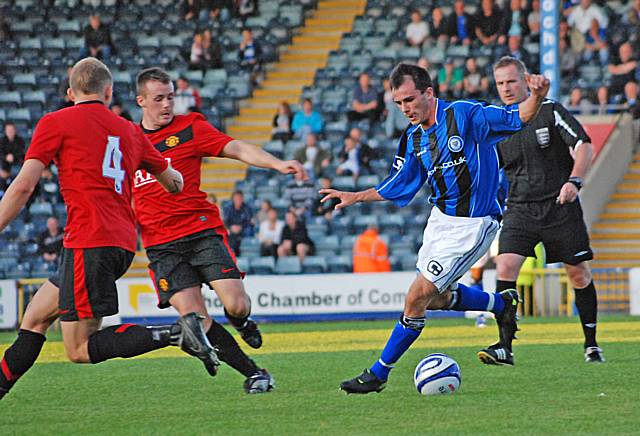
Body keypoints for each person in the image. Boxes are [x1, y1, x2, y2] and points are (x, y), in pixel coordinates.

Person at [319, 62, 549, 394]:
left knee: (415, 298)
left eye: (410, 100)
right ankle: (501, 304)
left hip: (473, 224)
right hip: (439, 221)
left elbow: (518, 118)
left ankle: (379, 373)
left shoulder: (465, 115)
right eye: (398, 103)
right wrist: (356, 196)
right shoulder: (413, 138)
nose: (405, 109)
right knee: (436, 300)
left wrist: (538, 96)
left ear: (429, 92)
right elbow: (399, 183)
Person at [0, 57, 200, 401]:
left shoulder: (55, 122)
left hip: (87, 240)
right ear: (108, 92)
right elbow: (175, 181)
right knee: (33, 319)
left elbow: (22, 187)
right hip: (120, 242)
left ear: (70, 92)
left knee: (78, 348)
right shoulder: (129, 130)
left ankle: (176, 333)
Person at [132, 66, 306, 392]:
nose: (168, 104)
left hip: (200, 230)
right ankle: (255, 374)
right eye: (159, 99)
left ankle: (241, 321)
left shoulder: (190, 127)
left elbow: (236, 148)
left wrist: (277, 163)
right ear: (141, 101)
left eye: (171, 97)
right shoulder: (128, 140)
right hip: (161, 244)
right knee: (196, 321)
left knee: (237, 304)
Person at [478, 56, 604, 365]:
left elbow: (584, 145)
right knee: (505, 267)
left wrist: (575, 180)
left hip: (560, 205)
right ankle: (505, 346)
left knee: (577, 274)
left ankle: (591, 344)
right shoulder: (496, 123)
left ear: (524, 80)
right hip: (519, 208)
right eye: (500, 83)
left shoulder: (550, 110)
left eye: (511, 81)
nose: (506, 88)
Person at [223, 190, 254, 256]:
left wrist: (241, 227)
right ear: (233, 199)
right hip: (232, 229)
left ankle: (245, 252)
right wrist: (231, 227)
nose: (238, 200)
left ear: (242, 199)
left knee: (248, 230)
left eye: (240, 198)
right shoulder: (228, 208)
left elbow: (249, 221)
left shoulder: (247, 208)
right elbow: (226, 221)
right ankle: (232, 253)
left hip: (243, 228)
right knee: (226, 233)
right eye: (236, 198)